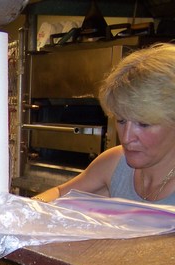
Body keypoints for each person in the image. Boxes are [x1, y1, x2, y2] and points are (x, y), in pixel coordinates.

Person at [32, 42, 175, 206]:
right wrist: (32, 207)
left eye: (143, 124)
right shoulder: (115, 162)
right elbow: (59, 193)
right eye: (121, 120)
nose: (126, 138)